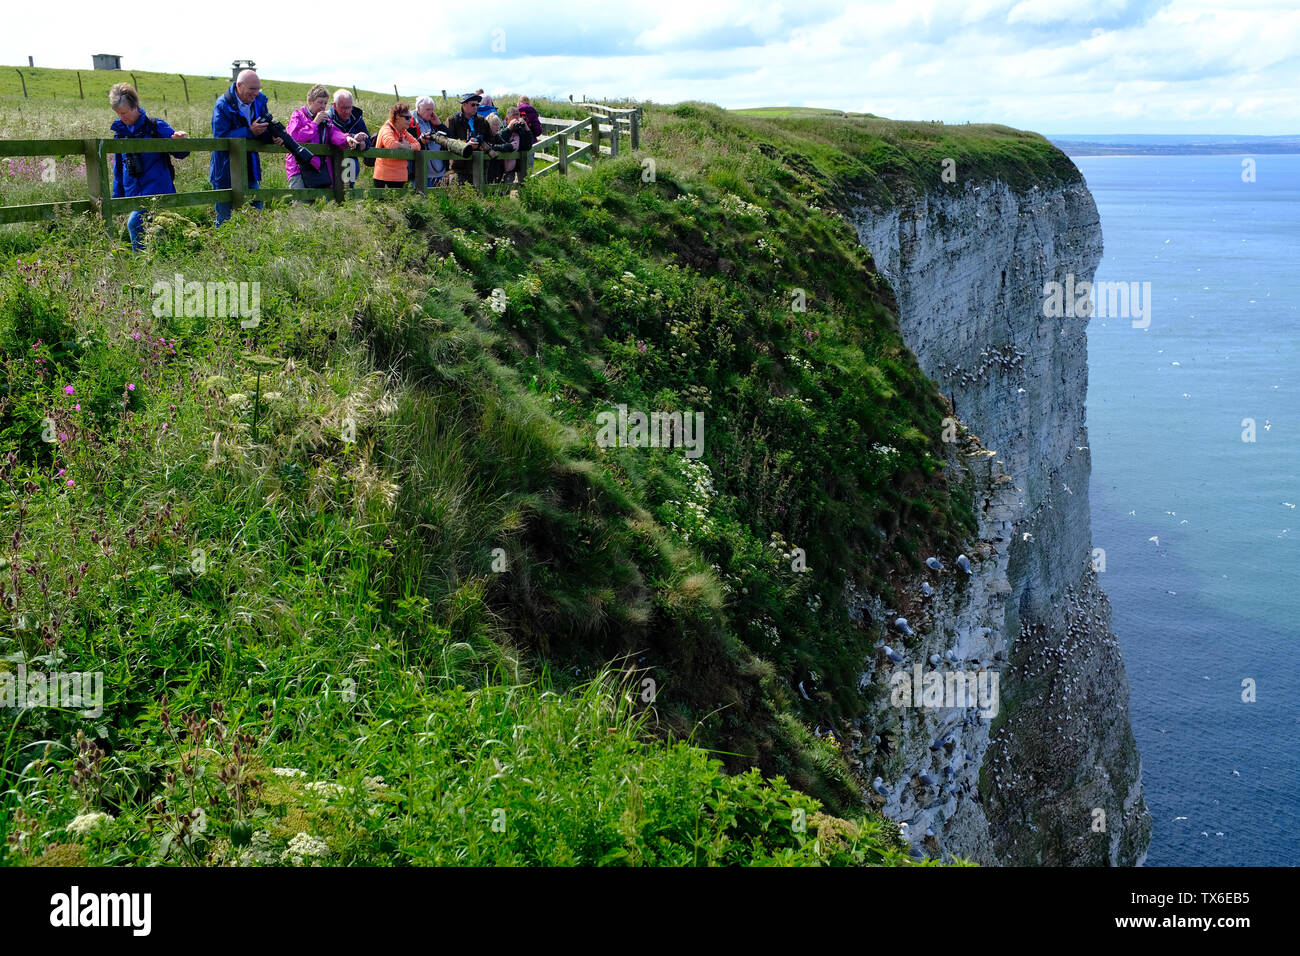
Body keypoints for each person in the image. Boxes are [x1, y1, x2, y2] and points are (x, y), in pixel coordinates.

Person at [108, 83, 189, 251]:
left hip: (156, 190)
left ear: (135, 107)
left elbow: (182, 153)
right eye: (117, 113)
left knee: (134, 224)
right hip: (133, 193)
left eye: (124, 112)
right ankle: (157, 263)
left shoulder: (155, 126)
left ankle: (140, 266)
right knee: (152, 233)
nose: (121, 117)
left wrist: (179, 142)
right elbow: (118, 169)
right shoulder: (120, 133)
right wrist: (118, 199)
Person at [209, 69, 280, 225]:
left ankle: (254, 247)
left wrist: (273, 137)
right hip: (225, 169)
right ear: (239, 86)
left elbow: (263, 130)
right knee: (225, 217)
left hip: (250, 167)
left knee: (256, 212)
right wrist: (249, 131)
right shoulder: (223, 104)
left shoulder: (260, 100)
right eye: (252, 89)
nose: (255, 93)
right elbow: (220, 137)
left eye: (258, 89)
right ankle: (223, 249)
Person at [286, 85, 360, 190]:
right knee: (300, 203)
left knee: (318, 203)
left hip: (319, 169)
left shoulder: (325, 121)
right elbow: (294, 137)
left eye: (325, 103)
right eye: (320, 102)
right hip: (298, 168)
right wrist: (315, 123)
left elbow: (334, 133)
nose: (323, 106)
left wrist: (347, 138)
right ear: (310, 101)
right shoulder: (298, 115)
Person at [325, 90, 369, 188]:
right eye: (343, 108)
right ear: (335, 105)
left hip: (351, 165)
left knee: (347, 191)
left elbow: (368, 139)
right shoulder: (327, 118)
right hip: (330, 163)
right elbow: (329, 136)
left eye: (349, 107)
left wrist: (363, 144)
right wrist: (353, 137)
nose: (347, 111)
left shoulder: (357, 118)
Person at [372, 103, 421, 188]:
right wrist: (404, 146)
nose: (410, 120)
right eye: (407, 118)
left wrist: (409, 147)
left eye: (411, 117)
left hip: (399, 178)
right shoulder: (386, 129)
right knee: (383, 201)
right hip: (384, 177)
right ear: (398, 117)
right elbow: (391, 144)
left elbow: (418, 145)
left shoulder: (403, 132)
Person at [445, 93, 491, 183]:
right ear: (464, 104)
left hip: (479, 167)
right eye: (473, 104)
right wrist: (466, 145)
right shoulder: (452, 120)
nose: (475, 107)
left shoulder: (482, 121)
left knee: (481, 196)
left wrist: (482, 144)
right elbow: (447, 142)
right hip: (459, 169)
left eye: (477, 105)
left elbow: (490, 139)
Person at [410, 97, 450, 187]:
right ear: (419, 108)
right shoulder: (410, 121)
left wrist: (440, 125)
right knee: (423, 199)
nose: (431, 112)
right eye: (428, 109)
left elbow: (451, 138)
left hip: (439, 172)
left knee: (441, 200)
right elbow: (408, 145)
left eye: (432, 109)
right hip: (421, 173)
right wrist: (421, 141)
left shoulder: (433, 121)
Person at [503, 106, 535, 181]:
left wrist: (526, 127)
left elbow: (528, 146)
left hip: (519, 162)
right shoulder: (502, 128)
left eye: (517, 119)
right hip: (505, 164)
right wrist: (509, 128)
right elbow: (500, 140)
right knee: (507, 184)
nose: (516, 122)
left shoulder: (520, 129)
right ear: (507, 119)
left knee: (523, 183)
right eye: (513, 120)